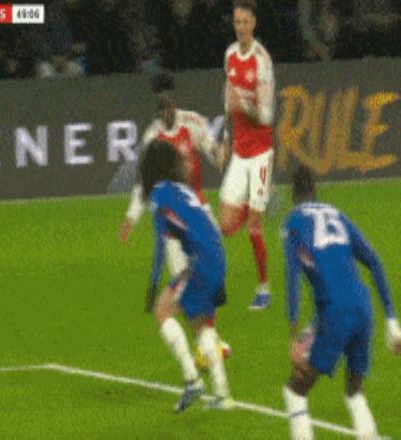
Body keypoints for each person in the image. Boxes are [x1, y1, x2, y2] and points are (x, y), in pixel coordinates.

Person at [281, 165, 401, 440]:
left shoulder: (293, 223)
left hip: (333, 312)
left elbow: (292, 278)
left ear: (294, 195)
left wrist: (294, 338)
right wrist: (392, 321)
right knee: (354, 392)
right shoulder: (337, 215)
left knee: (295, 391)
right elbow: (374, 261)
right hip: (363, 308)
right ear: (315, 190)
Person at [119, 72, 230, 367]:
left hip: (199, 210)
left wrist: (222, 155)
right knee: (183, 282)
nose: (166, 112)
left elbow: (214, 154)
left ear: (175, 104)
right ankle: (208, 343)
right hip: (172, 218)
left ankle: (209, 340)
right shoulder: (152, 137)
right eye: (161, 108)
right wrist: (131, 216)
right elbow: (144, 182)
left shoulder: (193, 123)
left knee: (206, 279)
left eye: (169, 106)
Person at [141, 140, 235, 412]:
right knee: (200, 325)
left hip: (200, 263)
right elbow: (204, 227)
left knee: (162, 310)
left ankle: (192, 380)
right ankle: (223, 395)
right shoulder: (184, 191)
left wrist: (153, 284)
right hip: (215, 258)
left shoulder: (159, 194)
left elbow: (160, 246)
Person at [220, 0, 275, 310]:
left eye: (244, 21)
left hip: (260, 153)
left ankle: (263, 288)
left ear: (253, 23)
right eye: (236, 22)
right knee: (226, 227)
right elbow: (228, 97)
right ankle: (254, 205)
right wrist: (226, 137)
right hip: (239, 153)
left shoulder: (261, 61)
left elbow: (266, 115)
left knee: (254, 228)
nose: (240, 27)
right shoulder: (230, 54)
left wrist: (245, 106)